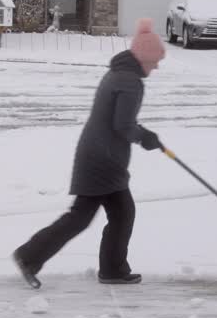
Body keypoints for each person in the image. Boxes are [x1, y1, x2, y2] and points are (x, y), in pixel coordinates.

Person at [12, 17, 167, 287]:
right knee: (84, 216)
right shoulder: (130, 82)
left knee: (118, 213)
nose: (156, 67)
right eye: (155, 61)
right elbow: (123, 125)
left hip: (99, 155)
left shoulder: (119, 73)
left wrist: (142, 135)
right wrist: (145, 137)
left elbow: (118, 122)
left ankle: (112, 269)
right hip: (102, 161)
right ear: (144, 58)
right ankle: (30, 256)